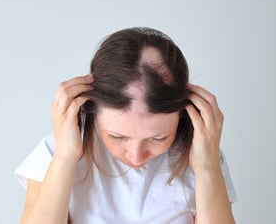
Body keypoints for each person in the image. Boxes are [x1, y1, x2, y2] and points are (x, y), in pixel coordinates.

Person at [15, 27, 238, 224]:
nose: (136, 156)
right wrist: (64, 158)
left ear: (183, 115)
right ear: (91, 110)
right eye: (118, 136)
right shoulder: (54, 151)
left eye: (158, 138)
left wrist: (207, 167)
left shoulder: (201, 156)